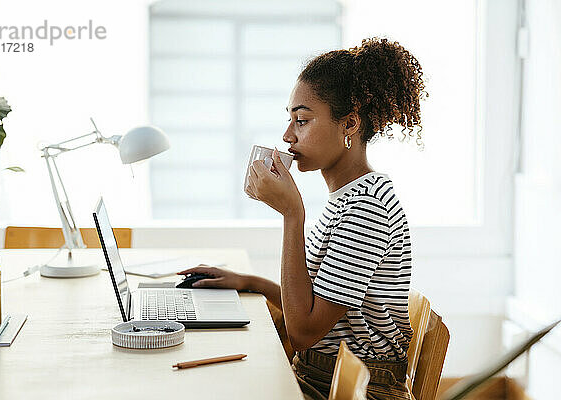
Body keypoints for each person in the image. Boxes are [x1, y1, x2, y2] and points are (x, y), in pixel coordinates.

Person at [179, 37, 427, 400]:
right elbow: (317, 306)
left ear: (350, 124)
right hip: (324, 376)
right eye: (290, 119)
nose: (287, 135)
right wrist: (251, 282)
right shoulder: (348, 198)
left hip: (354, 389)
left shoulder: (367, 209)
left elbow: (304, 331)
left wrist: (292, 214)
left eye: (302, 120)